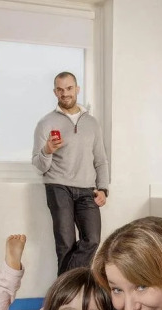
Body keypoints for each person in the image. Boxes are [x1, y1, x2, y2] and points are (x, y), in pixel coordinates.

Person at [31, 71, 109, 275]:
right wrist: (48, 150)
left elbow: (100, 160)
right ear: (55, 92)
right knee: (65, 244)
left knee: (92, 240)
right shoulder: (45, 123)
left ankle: (63, 287)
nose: (65, 93)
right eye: (60, 89)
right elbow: (39, 165)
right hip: (58, 186)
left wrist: (103, 188)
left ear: (77, 89)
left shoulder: (92, 123)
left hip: (87, 189)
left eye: (69, 88)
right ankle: (69, 292)